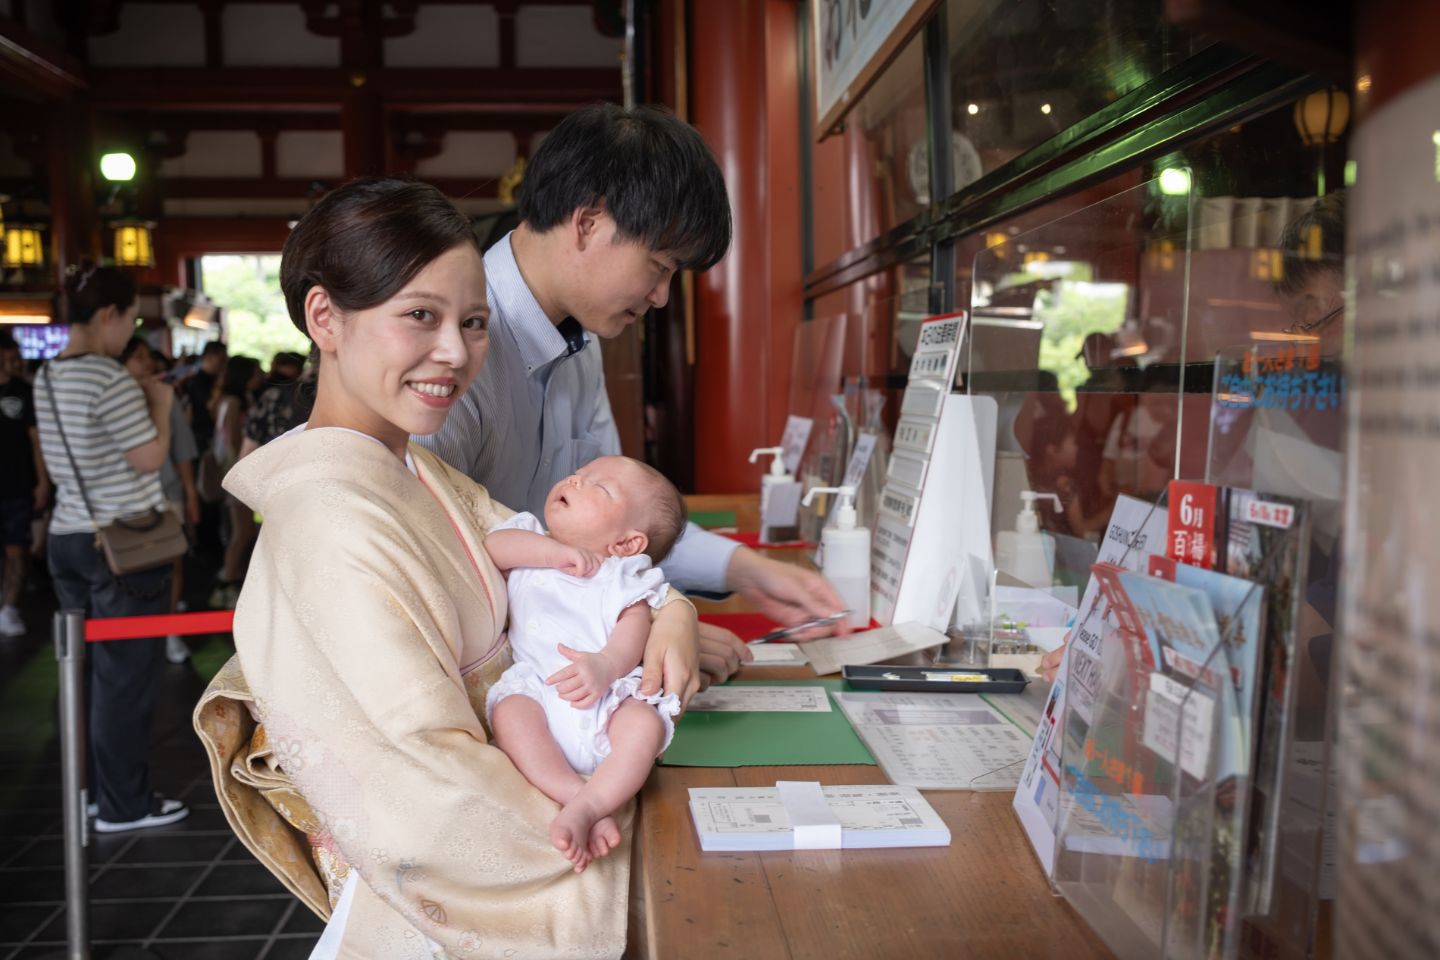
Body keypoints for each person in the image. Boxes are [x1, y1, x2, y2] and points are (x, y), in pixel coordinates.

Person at [194, 177, 701, 957]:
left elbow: (576, 558)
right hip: (455, 895)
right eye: (420, 317)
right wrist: (598, 808)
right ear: (324, 318)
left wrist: (673, 614)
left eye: (473, 323)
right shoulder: (329, 521)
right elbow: (431, 797)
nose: (455, 353)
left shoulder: (414, 471)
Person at [418, 103, 849, 687]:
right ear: (588, 223)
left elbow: (618, 520)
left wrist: (748, 570)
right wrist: (640, 632)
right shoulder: (452, 348)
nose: (663, 297)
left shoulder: (580, 342)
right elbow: (436, 581)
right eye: (659, 267)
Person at [35, 263, 190, 833]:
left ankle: (93, 795)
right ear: (108, 315)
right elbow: (148, 458)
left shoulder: (47, 375)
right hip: (122, 542)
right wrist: (163, 409)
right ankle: (124, 805)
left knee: (82, 671)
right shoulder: (107, 377)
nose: (131, 330)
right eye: (131, 318)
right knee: (124, 677)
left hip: (67, 537)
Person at [485, 455, 687, 873]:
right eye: (581, 473)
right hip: (540, 687)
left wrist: (607, 665)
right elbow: (493, 549)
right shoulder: (527, 535)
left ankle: (595, 802)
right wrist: (552, 552)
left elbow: (634, 623)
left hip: (605, 695)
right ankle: (575, 795)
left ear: (627, 543)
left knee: (644, 723)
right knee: (511, 712)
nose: (575, 480)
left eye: (599, 486)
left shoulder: (623, 573)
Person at [120, 337, 200, 663]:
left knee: (172, 563)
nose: (148, 363)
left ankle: (169, 632)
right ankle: (135, 634)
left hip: (166, 492)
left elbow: (182, 452)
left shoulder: (165, 398)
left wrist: (190, 493)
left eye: (146, 357)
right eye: (138, 357)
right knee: (129, 567)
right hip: (125, 499)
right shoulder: (114, 402)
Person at [0, 332, 48, 637]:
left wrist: (43, 482)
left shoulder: (24, 391)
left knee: (17, 550)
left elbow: (36, 441)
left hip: (18, 484)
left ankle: (9, 608)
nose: (15, 360)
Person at [208, 354, 262, 608]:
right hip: (237, 474)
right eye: (255, 372)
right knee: (242, 531)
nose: (260, 376)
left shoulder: (230, 400)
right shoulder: (232, 402)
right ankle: (227, 582)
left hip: (236, 473)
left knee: (243, 530)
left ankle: (233, 579)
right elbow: (233, 442)